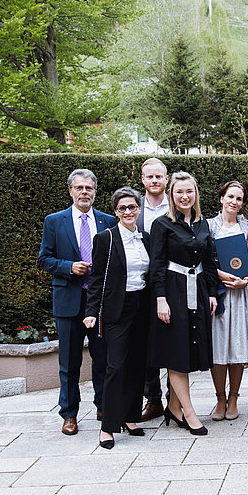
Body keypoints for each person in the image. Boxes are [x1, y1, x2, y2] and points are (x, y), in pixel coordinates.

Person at [38, 168, 114, 436]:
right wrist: (70, 267)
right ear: (70, 190)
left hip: (100, 301)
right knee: (69, 362)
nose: (84, 193)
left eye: (89, 188)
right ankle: (69, 414)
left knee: (102, 358)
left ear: (95, 192)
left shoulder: (108, 221)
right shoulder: (54, 221)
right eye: (79, 188)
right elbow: (44, 259)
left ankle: (104, 406)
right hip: (69, 300)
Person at [148, 172, 219, 436]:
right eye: (179, 192)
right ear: (172, 195)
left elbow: (210, 260)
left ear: (195, 194)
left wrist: (212, 292)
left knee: (190, 349)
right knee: (176, 352)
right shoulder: (162, 224)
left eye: (189, 191)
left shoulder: (202, 224)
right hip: (172, 290)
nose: (184, 196)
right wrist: (160, 299)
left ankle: (173, 408)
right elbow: (156, 265)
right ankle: (189, 413)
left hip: (198, 290)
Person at [81, 187, 149, 449]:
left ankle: (131, 418)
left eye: (132, 207)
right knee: (115, 366)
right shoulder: (105, 238)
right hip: (116, 310)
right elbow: (96, 279)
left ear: (139, 208)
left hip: (141, 307)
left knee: (137, 364)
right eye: (123, 208)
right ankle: (108, 426)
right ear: (116, 212)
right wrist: (90, 312)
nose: (128, 212)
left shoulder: (147, 237)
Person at [207, 181, 248, 422]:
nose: (234, 202)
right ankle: (219, 398)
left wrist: (245, 279)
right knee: (217, 347)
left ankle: (234, 398)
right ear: (221, 198)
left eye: (239, 198)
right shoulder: (208, 226)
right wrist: (220, 275)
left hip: (240, 295)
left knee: (237, 345)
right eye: (230, 197)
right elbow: (203, 259)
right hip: (218, 293)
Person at [136, 158, 170, 422]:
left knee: (174, 339)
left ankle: (175, 400)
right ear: (143, 180)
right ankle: (154, 399)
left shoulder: (179, 204)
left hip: (174, 281)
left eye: (159, 176)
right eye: (150, 177)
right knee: (146, 343)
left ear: (166, 179)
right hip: (141, 285)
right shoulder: (133, 209)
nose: (155, 181)